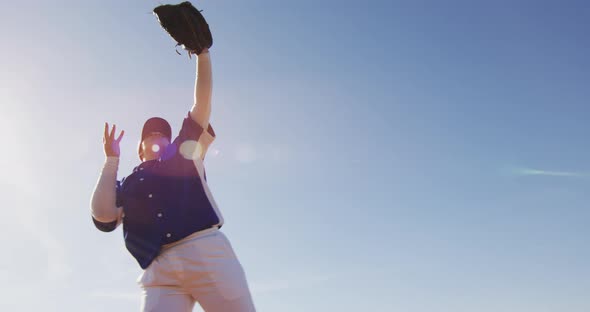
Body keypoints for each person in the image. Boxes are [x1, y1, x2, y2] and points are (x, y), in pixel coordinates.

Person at [90, 48, 256, 312]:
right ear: (140, 148)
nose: (157, 135)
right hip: (159, 267)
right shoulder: (128, 183)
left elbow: (201, 106)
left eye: (163, 133)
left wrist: (202, 55)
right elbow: (104, 217)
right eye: (150, 133)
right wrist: (111, 161)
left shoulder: (184, 154)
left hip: (205, 252)